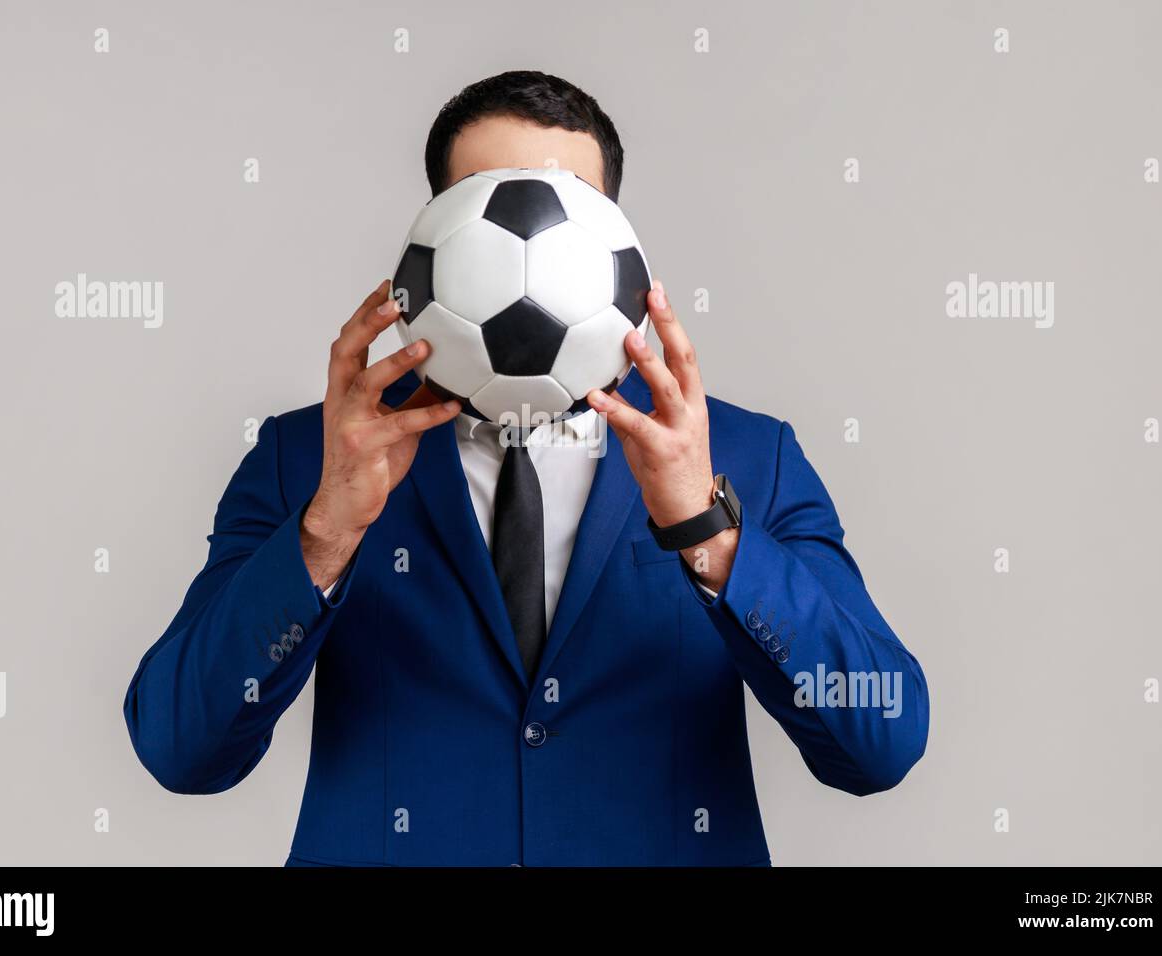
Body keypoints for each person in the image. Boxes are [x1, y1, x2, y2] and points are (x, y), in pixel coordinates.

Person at [123, 70, 929, 866]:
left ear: (616, 249)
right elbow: (180, 748)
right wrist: (326, 531)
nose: (529, 252)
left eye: (565, 203)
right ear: (431, 245)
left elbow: (881, 744)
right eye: (485, 200)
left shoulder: (749, 457)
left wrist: (709, 535)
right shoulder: (310, 457)